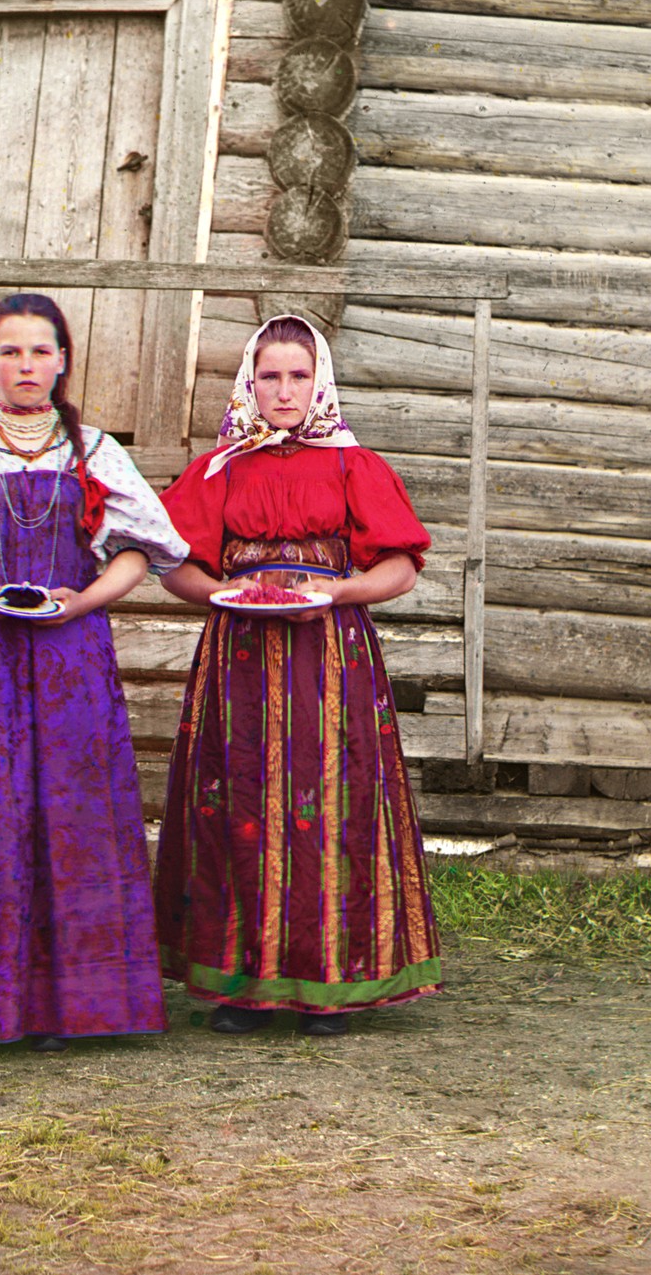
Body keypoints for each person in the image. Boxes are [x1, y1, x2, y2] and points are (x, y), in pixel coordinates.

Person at [0, 293, 189, 1051]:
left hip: (70, 659)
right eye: (11, 351)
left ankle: (70, 1007)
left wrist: (83, 601)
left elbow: (139, 550)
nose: (26, 365)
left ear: (63, 360)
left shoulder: (96, 454)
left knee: (72, 813)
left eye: (40, 351)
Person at [155, 314, 441, 1037]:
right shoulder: (221, 468)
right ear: (249, 381)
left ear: (321, 382)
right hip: (241, 657)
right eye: (271, 376)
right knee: (238, 800)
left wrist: (337, 592)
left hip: (328, 658)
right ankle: (238, 983)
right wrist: (221, 593)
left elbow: (401, 566)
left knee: (329, 804)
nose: (284, 391)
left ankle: (327, 981)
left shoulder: (353, 465)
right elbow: (174, 564)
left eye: (298, 375)